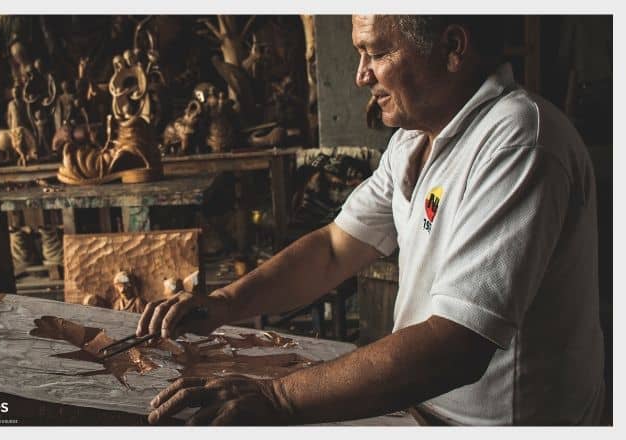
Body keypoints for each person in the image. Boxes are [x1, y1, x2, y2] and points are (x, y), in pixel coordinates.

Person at [137, 15, 605, 426]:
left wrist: (277, 398)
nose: (362, 76)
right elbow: (336, 248)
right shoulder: (414, 140)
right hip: (424, 409)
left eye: (376, 53)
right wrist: (221, 304)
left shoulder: (518, 141)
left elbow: (457, 346)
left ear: (453, 48)